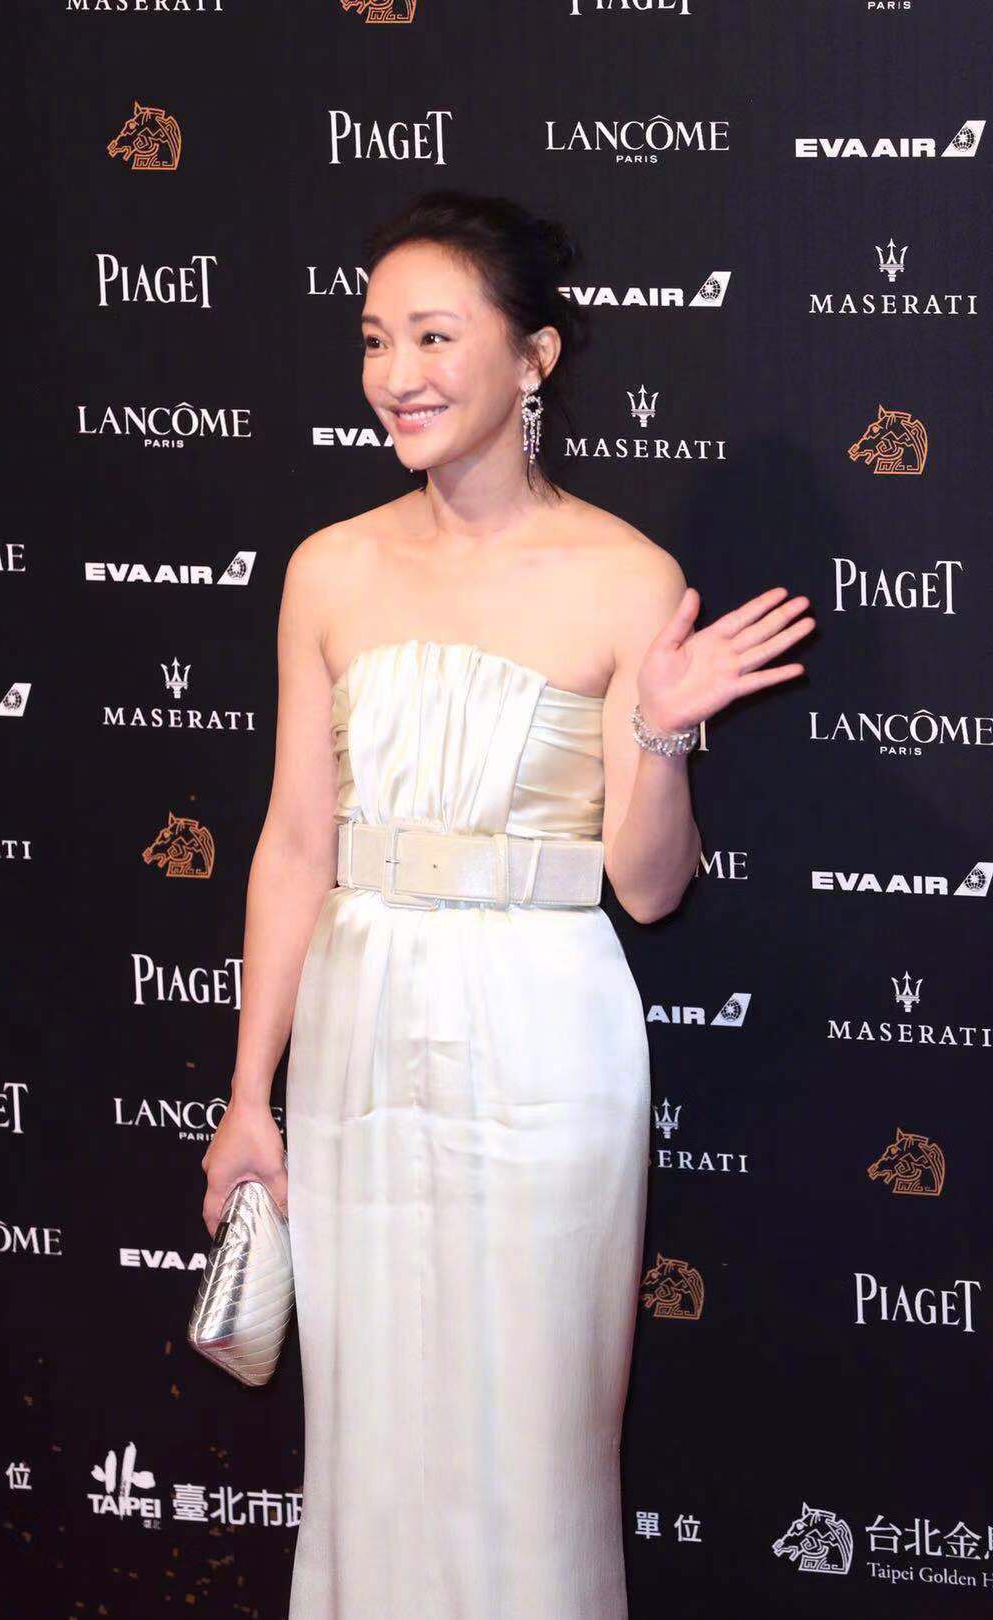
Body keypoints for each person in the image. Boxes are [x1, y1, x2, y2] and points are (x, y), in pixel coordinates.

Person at [201, 189, 814, 1618]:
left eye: (434, 336)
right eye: (374, 340)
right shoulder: (329, 569)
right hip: (360, 1025)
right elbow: (294, 844)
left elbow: (648, 890)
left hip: (544, 1032)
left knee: (531, 1439)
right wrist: (248, 1095)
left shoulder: (626, 577)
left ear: (534, 357)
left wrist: (661, 732)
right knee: (372, 1430)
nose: (395, 375)